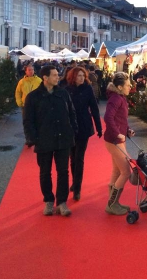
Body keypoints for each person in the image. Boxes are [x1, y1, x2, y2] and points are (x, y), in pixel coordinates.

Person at [23, 65, 78, 217]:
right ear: (45, 78)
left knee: (63, 172)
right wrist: (33, 138)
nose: (57, 77)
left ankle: (62, 202)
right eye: (54, 75)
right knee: (45, 172)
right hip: (44, 140)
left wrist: (73, 130)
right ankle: (48, 200)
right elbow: (28, 121)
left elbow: (72, 113)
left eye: (57, 74)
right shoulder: (33, 97)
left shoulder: (63, 93)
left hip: (63, 139)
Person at [65, 66, 102, 201]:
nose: (81, 78)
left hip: (84, 126)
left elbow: (94, 108)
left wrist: (99, 127)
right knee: (72, 157)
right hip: (70, 127)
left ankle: (77, 188)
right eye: (79, 76)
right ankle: (75, 182)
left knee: (79, 158)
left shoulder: (88, 89)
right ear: (73, 77)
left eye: (83, 75)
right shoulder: (67, 90)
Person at [104, 72, 135, 215]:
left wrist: (127, 130)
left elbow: (119, 119)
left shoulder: (120, 97)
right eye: (128, 85)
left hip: (117, 139)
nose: (131, 87)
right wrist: (117, 133)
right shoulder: (116, 98)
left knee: (117, 170)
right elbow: (108, 117)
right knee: (126, 172)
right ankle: (112, 204)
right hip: (114, 140)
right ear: (120, 87)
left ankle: (112, 202)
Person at [15, 63, 42, 147]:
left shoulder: (39, 81)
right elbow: (18, 92)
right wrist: (19, 102)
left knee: (38, 121)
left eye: (32, 70)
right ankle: (29, 138)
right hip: (25, 105)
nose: (31, 71)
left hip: (37, 105)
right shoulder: (22, 82)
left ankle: (37, 137)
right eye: (29, 70)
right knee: (27, 122)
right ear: (26, 71)